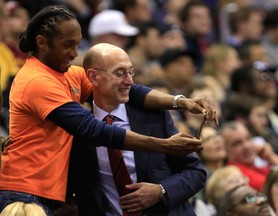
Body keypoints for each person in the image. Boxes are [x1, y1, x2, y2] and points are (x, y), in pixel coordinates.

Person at [0, 5, 217, 216]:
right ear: (42, 42)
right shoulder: (37, 80)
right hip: (24, 191)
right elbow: (94, 129)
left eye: (77, 44)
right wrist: (164, 145)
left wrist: (180, 102)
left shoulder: (66, 74)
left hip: (45, 190)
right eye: (68, 45)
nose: (75, 53)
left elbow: (131, 90)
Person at [68, 42, 207, 215]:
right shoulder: (78, 126)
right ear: (94, 77)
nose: (129, 81)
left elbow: (196, 172)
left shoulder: (153, 116)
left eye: (130, 72)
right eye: (120, 73)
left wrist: (161, 191)